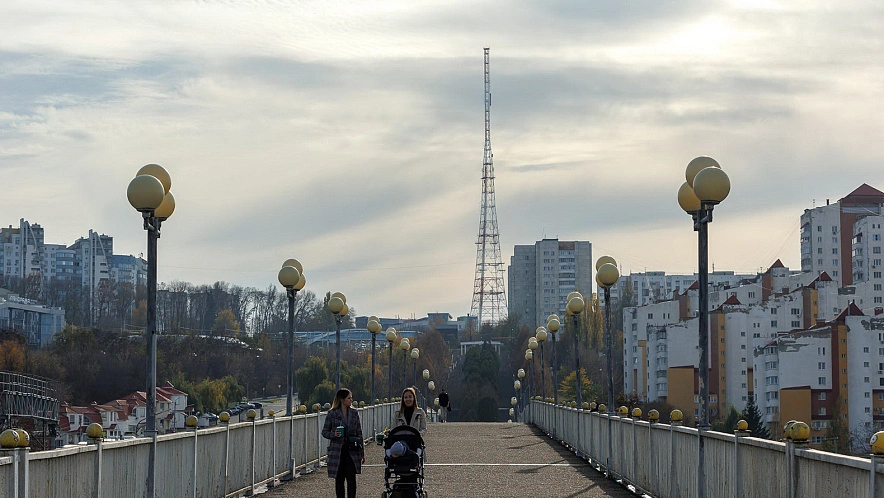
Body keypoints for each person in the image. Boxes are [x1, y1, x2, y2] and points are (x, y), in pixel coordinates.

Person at [321, 388, 365, 498]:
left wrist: (362, 452)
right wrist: (333, 434)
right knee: (339, 479)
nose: (351, 400)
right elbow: (324, 432)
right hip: (337, 451)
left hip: (351, 450)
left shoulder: (354, 413)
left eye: (351, 398)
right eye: (349, 398)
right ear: (342, 399)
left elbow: (359, 433)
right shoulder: (332, 413)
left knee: (351, 479)